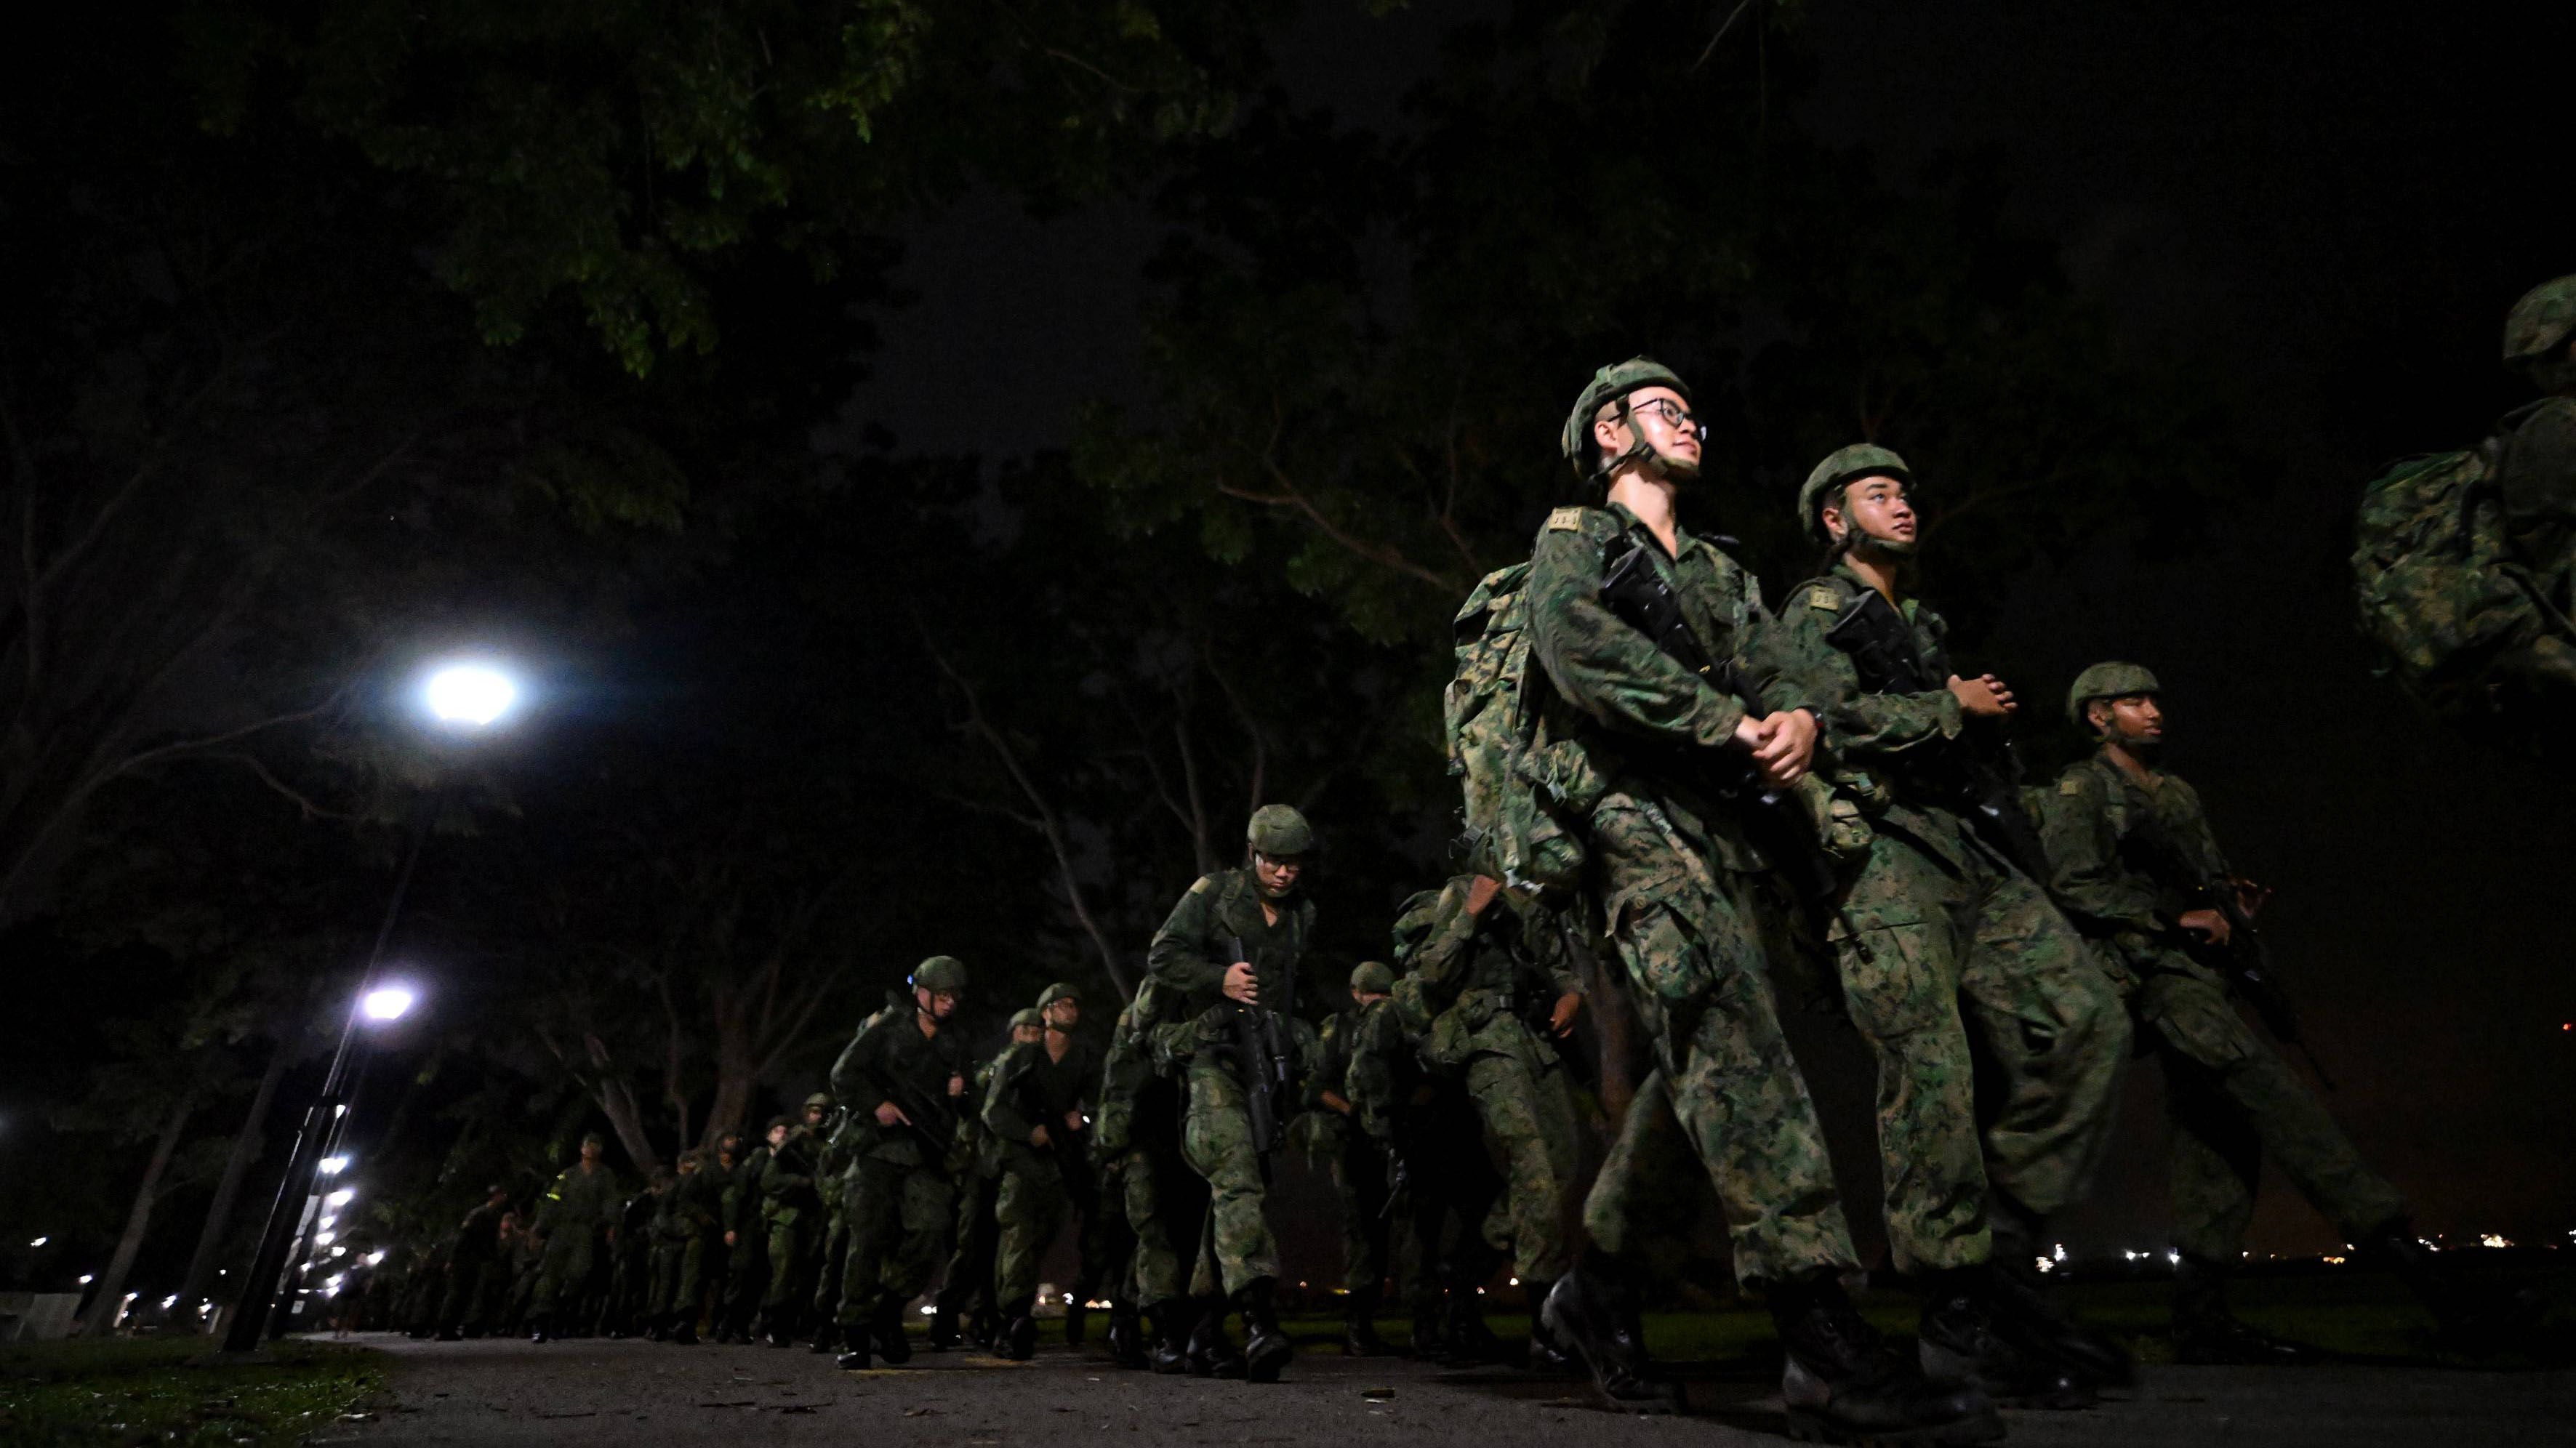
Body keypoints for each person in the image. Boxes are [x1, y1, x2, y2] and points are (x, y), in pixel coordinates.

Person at [1527, 360, 1993, 1441]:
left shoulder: (1721, 575)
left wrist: (1797, 721)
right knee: (1737, 1039)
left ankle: (1593, 1290)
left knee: (1707, 1070)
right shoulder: (1576, 539)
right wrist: (1722, 722)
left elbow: (1782, 667)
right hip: (1626, 817)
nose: (1688, 423)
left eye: (1691, 411)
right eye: (1662, 410)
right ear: (1609, 432)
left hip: (1722, 831)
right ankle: (1818, 1338)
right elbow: (1576, 648)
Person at [1763, 443, 2133, 1404]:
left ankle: (2000, 1246)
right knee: (1930, 1073)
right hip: (1882, 854)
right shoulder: (1813, 610)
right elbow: (1813, 719)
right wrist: (1947, 706)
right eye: (1874, 494)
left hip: (1970, 853)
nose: (1901, 504)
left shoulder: (1914, 621)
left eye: (1904, 490)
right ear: (1834, 521)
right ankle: (1953, 1307)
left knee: (2088, 1019)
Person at [2042, 663, 2538, 1358]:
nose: (2152, 710)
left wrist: (2228, 910)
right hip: (2151, 977)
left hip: (2200, 980)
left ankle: (2201, 1317)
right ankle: (2437, 1287)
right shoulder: (2080, 789)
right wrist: (2173, 917)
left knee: (2218, 1142)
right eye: (2131, 701)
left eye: (2154, 696)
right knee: (2283, 1107)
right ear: (2097, 717)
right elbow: (2072, 884)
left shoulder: (2175, 793)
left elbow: (2205, 881)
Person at [1144, 805, 1317, 1384]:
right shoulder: (1214, 895)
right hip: (1213, 1059)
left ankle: (1202, 1331)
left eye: (1293, 862)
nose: (1284, 873)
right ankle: (1259, 1320)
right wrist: (1216, 979)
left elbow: (1292, 995)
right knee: (1237, 1180)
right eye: (1274, 860)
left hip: (1263, 1067)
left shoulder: (1301, 918)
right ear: (1253, 854)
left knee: (1236, 1199)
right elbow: (1162, 956)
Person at [1401, 875, 1586, 1370]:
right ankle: (1545, 1326)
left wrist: (1571, 996)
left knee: (1565, 1166)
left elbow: (1558, 964)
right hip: (1488, 1046)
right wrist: (1471, 913)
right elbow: (1432, 974)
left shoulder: (1533, 899)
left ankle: (1466, 1271)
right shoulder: (1462, 891)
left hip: (1534, 1042)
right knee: (1533, 1174)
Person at [830, 955, 973, 1370]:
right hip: (879, 1151)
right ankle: (856, 1332)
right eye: (942, 995)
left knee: (929, 1233)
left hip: (927, 1153)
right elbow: (844, 1074)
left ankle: (888, 1311)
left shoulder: (954, 1043)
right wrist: (878, 1104)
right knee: (868, 1241)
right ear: (922, 993)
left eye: (954, 997)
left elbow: (967, 1107)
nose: (948, 1004)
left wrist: (961, 1091)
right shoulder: (888, 1029)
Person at [1092, 977, 1209, 1374]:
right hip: (1143, 1141)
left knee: (1173, 1235)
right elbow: (1120, 1083)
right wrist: (1113, 1147)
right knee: (1153, 1232)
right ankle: (1162, 1334)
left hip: (1181, 1138)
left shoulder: (1199, 1010)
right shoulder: (1144, 1015)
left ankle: (1130, 1320)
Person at [984, 983, 1105, 1359]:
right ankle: (1013, 1319)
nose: (1070, 1010)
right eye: (1062, 1005)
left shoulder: (1084, 1058)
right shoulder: (1021, 1058)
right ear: (1046, 1012)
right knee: (1019, 1238)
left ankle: (1014, 1314)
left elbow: (1101, 1102)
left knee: (1041, 1240)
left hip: (1059, 1164)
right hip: (1022, 1161)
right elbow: (994, 1111)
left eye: (1075, 1005)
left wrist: (1080, 1118)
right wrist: (1028, 1132)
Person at [1307, 961, 1401, 1357]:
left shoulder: (1393, 1024)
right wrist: (1351, 1113)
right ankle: (1358, 1323)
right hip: (1351, 1142)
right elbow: (1314, 1087)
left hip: (1387, 1140)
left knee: (1387, 1232)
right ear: (1356, 993)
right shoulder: (1339, 1030)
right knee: (1361, 1231)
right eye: (1371, 997)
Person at [529, 1133, 623, 1343]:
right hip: (561, 1230)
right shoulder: (567, 1174)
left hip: (585, 1231)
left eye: (596, 1145)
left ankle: (560, 1314)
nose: (591, 1148)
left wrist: (611, 1226)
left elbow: (610, 1202)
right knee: (549, 1275)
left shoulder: (606, 1175)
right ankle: (541, 1323)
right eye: (588, 1145)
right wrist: (539, 1227)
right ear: (582, 1149)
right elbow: (552, 1199)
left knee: (579, 1273)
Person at [758, 1112, 825, 1346]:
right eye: (779, 1132)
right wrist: (801, 1182)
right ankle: (775, 1326)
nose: (784, 1135)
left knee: (801, 1276)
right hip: (784, 1221)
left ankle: (794, 1325)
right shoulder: (776, 1158)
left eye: (787, 1131)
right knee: (782, 1273)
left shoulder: (802, 1154)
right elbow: (769, 1182)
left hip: (806, 1221)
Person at [434, 1184, 510, 1340]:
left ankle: (452, 1328)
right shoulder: (479, 1214)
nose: (504, 1199)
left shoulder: (493, 1215)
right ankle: (445, 1329)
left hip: (476, 1260)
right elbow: (464, 1237)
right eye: (502, 1195)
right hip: (465, 1259)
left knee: (465, 1295)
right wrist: (452, 1260)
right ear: (495, 1196)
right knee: (457, 1293)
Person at [716, 1127, 769, 1343]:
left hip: (758, 1229)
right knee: (739, 1277)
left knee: (753, 1280)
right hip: (747, 1229)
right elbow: (734, 1199)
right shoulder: (746, 1171)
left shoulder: (757, 1168)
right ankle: (727, 1325)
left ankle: (739, 1328)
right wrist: (731, 1228)